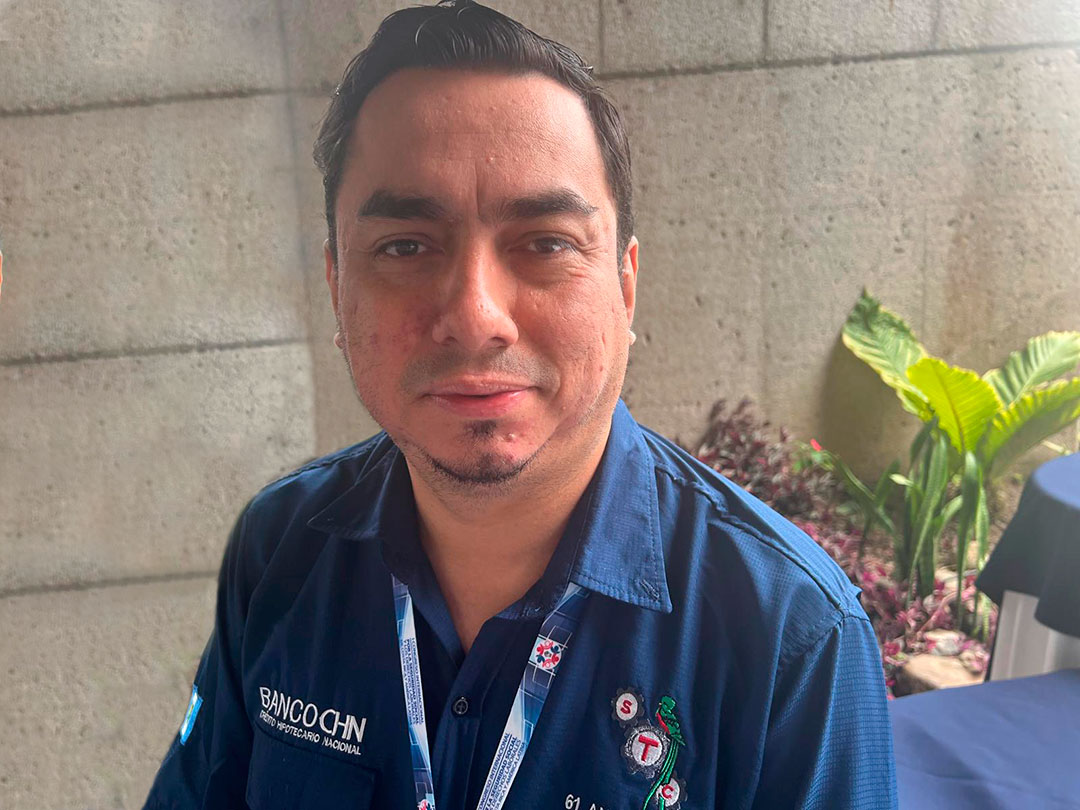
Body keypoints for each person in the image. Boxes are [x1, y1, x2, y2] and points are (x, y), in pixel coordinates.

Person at [143, 2, 896, 808]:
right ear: (336, 288)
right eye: (405, 246)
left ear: (625, 286)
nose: (475, 316)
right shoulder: (279, 550)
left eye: (544, 244)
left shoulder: (788, 634)